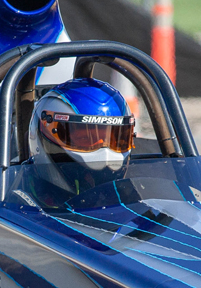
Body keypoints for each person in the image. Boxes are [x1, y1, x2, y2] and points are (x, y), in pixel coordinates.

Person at [11, 78, 136, 210]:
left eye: (115, 139)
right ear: (45, 133)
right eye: (85, 137)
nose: (105, 152)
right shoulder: (15, 206)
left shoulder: (128, 199)